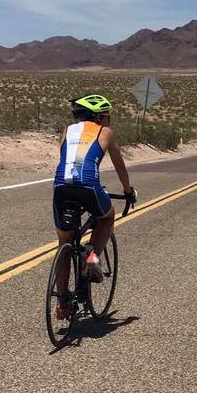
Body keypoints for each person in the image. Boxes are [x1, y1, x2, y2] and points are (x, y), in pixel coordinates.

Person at [52, 94, 136, 318]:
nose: (109, 123)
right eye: (108, 117)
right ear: (99, 117)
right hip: (88, 186)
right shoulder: (104, 132)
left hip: (61, 187)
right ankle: (92, 256)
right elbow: (119, 164)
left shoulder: (67, 131)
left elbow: (66, 158)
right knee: (107, 216)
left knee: (65, 241)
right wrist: (128, 190)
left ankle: (61, 304)